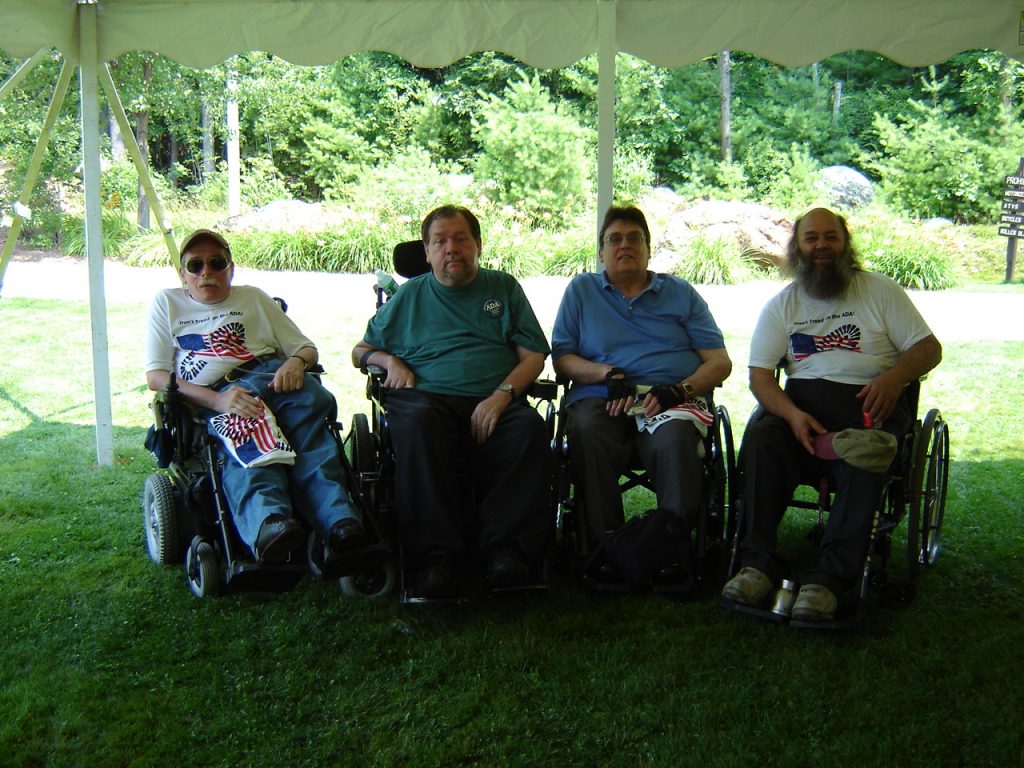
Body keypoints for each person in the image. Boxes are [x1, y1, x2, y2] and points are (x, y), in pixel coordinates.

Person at [721, 207, 942, 621]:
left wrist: (893, 380)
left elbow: (928, 349)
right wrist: (790, 415)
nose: (821, 245)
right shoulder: (781, 305)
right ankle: (756, 565)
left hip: (869, 408)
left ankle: (829, 580)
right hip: (801, 410)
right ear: (797, 247)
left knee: (864, 451)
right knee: (763, 439)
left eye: (830, 237)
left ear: (845, 243)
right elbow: (760, 377)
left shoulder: (880, 291)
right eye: (811, 238)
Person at [352, 205, 551, 598]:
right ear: (426, 252)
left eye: (461, 239)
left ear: (477, 244)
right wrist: (387, 359)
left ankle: (506, 551)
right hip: (426, 398)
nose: (451, 248)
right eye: (440, 241)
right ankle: (434, 557)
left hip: (493, 397)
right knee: (419, 423)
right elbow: (360, 351)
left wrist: (502, 396)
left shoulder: (503, 288)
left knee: (527, 428)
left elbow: (533, 356)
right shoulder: (408, 297)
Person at [145, 229, 370, 569]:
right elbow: (157, 377)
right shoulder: (168, 303)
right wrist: (216, 401)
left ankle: (340, 523)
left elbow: (305, 348)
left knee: (313, 424)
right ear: (183, 274)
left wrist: (296, 362)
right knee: (248, 432)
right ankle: (270, 524)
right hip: (220, 392)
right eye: (195, 265)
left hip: (273, 374)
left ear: (230, 269)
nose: (206, 271)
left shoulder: (254, 298)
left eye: (216, 262)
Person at [551, 205, 732, 583]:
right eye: (614, 239)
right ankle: (605, 548)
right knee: (584, 429)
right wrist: (606, 373)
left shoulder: (680, 293)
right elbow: (563, 358)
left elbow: (719, 362)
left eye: (635, 238)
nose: (625, 245)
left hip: (669, 397)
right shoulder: (582, 291)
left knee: (676, 440)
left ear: (649, 249)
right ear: (601, 251)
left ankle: (669, 552)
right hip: (604, 396)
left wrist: (680, 390)